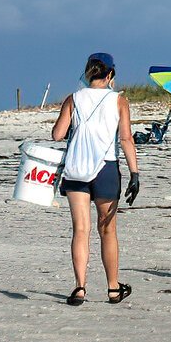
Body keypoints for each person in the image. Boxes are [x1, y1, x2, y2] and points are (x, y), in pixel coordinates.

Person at [51, 52, 141, 306]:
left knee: (81, 229)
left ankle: (80, 288)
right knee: (107, 229)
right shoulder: (119, 101)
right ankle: (113, 289)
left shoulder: (73, 98)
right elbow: (126, 139)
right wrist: (135, 173)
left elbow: (57, 135)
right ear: (110, 74)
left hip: (76, 169)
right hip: (106, 169)